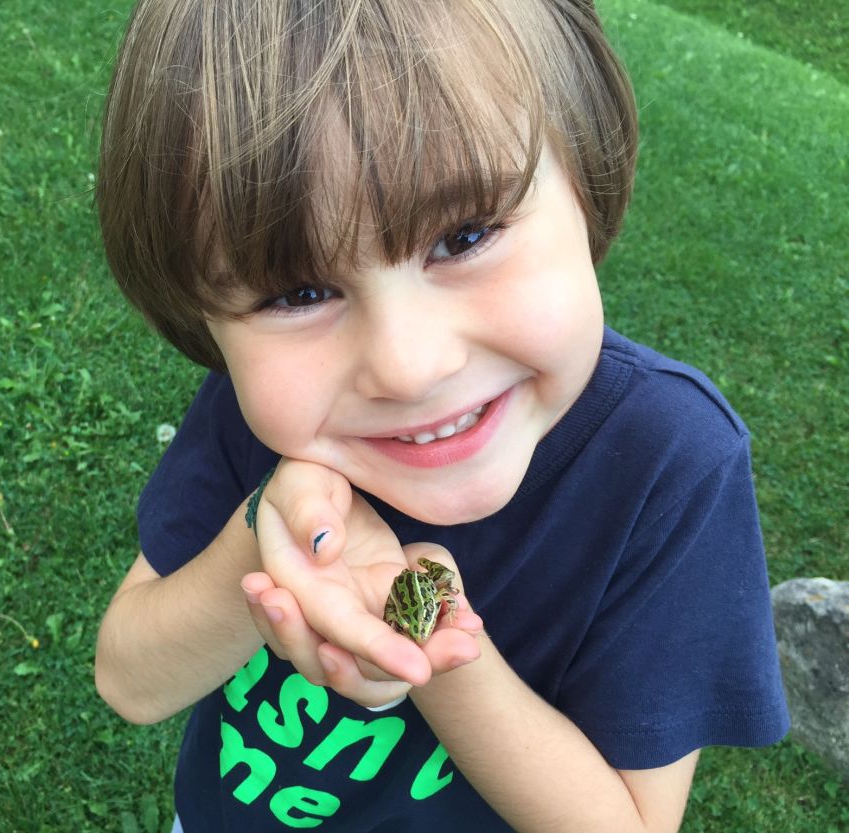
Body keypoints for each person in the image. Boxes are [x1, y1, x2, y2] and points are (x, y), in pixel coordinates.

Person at [92, 1, 790, 830]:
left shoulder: (667, 464)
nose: (409, 366)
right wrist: (268, 536)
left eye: (465, 235)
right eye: (299, 293)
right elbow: (130, 680)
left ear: (588, 181)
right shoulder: (272, 426)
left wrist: (432, 640)